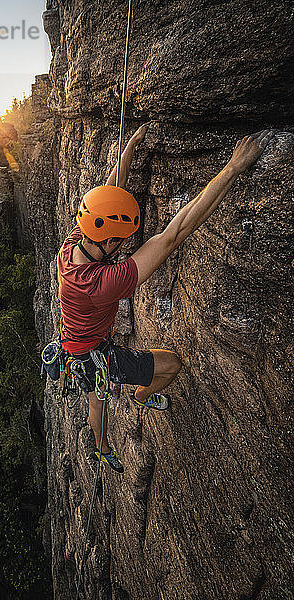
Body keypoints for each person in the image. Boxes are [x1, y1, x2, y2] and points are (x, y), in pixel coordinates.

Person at [57, 124, 276, 473]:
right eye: (122, 239)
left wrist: (129, 146)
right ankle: (141, 396)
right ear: (109, 242)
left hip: (75, 346)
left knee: (96, 400)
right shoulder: (102, 282)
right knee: (170, 365)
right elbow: (175, 233)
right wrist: (234, 167)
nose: (126, 243)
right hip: (95, 349)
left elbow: (107, 197)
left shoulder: (71, 247)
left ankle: (100, 447)